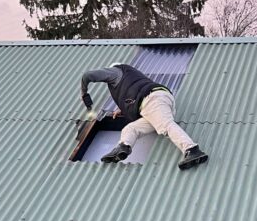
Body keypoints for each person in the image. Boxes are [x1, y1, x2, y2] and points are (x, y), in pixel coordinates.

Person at [81, 63, 209, 170]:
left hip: (152, 100)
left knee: (165, 125)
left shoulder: (116, 71)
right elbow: (133, 94)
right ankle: (123, 147)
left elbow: (87, 75)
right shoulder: (130, 79)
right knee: (130, 129)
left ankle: (192, 149)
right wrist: (122, 109)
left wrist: (84, 93)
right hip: (152, 104)